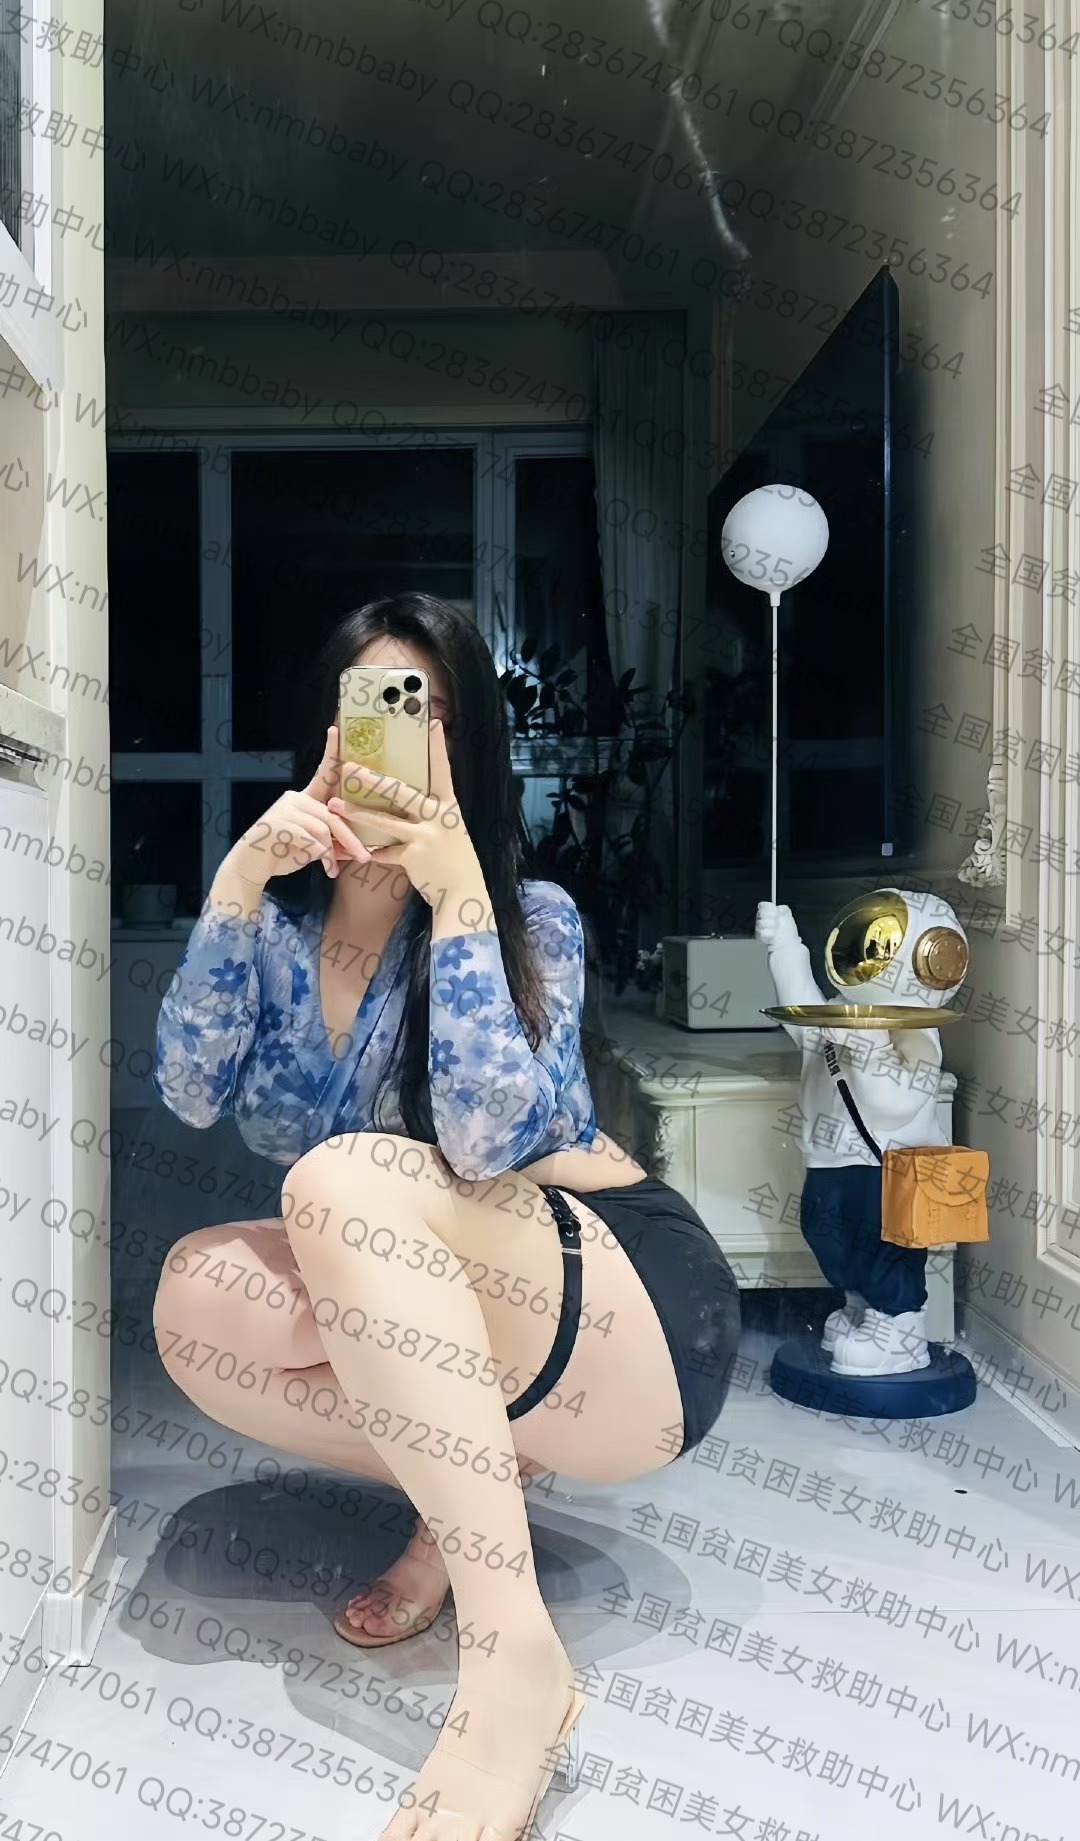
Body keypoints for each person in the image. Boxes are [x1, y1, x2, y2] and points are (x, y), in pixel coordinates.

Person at [152, 592, 741, 1841]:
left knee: (336, 1183)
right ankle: (464, 1497)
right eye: (373, 708)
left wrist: (462, 887)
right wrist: (241, 876)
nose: (397, 745)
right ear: (329, 732)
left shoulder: (534, 921)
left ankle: (513, 1653)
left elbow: (482, 1141)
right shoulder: (279, 933)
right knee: (200, 1298)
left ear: (465, 748)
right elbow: (190, 1086)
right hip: (458, 1309)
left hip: (623, 1302)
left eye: (428, 717)